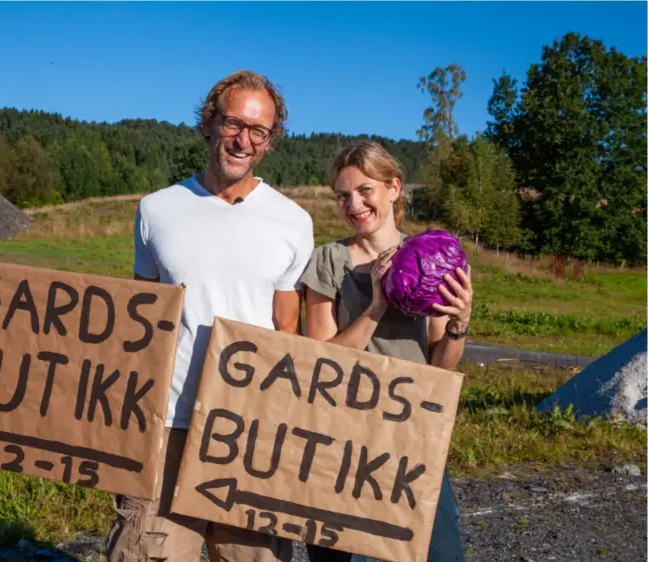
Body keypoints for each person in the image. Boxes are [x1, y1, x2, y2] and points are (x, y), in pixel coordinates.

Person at [105, 70, 314, 562]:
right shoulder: (156, 210)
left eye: (258, 130)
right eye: (233, 123)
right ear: (208, 123)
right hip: (165, 426)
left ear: (270, 140)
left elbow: (287, 330)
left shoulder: (293, 222)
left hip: (250, 432)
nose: (244, 140)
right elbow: (142, 320)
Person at [299, 140, 471, 562]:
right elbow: (321, 358)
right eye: (343, 195)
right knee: (340, 553)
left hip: (412, 430)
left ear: (393, 188)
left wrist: (459, 323)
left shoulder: (432, 257)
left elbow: (440, 368)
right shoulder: (329, 261)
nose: (354, 204)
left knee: (435, 550)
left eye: (365, 190)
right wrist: (377, 305)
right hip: (342, 434)